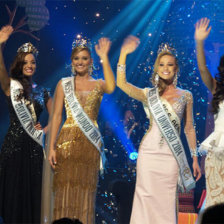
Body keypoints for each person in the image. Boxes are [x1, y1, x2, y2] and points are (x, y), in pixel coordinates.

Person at [117, 35, 201, 224]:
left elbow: (189, 128)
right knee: (145, 199)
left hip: (171, 156)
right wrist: (123, 54)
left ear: (176, 68)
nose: (165, 68)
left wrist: (195, 158)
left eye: (170, 64)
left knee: (166, 200)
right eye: (161, 64)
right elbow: (121, 84)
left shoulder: (186, 96)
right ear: (157, 68)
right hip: (149, 154)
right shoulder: (149, 94)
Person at [47, 37, 115, 224]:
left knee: (86, 191)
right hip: (66, 142)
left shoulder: (99, 84)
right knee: (65, 190)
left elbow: (111, 86)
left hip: (89, 143)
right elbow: (56, 117)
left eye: (85, 58)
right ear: (72, 61)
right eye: (77, 58)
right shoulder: (63, 84)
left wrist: (104, 57)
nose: (80, 62)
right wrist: (52, 147)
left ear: (91, 61)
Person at [0, 25, 52, 223]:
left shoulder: (44, 91)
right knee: (13, 197)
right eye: (25, 62)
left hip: (34, 149)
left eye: (33, 62)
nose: (29, 65)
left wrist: (45, 130)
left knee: (33, 196)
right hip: (13, 148)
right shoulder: (10, 86)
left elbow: (58, 116)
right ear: (19, 64)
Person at [195, 18, 224, 208]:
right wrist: (199, 41)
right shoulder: (218, 89)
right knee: (216, 204)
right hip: (219, 155)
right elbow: (203, 69)